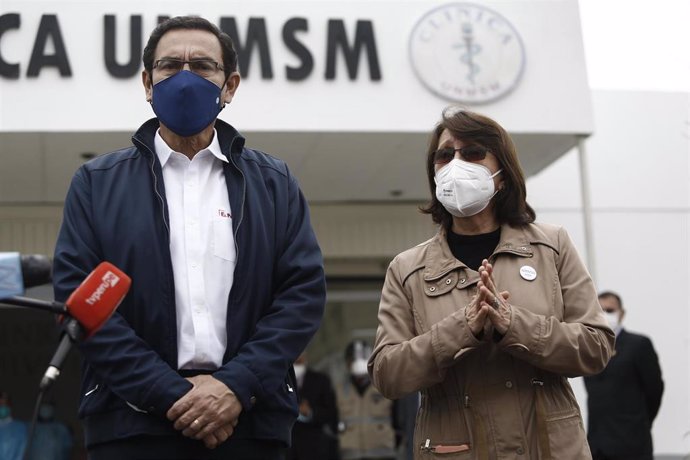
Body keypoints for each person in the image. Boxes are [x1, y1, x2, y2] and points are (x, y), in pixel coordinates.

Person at [52, 15, 326, 460]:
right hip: (130, 426)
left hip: (250, 424)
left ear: (229, 85)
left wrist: (234, 386)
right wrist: (171, 394)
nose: (184, 78)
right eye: (169, 66)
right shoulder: (96, 183)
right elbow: (80, 301)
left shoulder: (274, 184)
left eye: (202, 66)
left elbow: (302, 296)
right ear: (147, 82)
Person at [367, 108, 615, 459]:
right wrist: (461, 329)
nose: (455, 164)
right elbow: (388, 374)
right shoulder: (407, 269)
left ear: (502, 175)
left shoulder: (552, 245)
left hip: (550, 448)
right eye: (444, 156)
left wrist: (514, 325)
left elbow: (596, 347)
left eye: (471, 153)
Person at [584, 291, 664, 460]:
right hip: (597, 444)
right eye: (600, 310)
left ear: (622, 313)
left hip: (631, 443)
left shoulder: (639, 345)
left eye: (610, 310)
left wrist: (639, 423)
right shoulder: (589, 348)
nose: (605, 315)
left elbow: (654, 390)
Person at [337, 340, 396, 460]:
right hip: (351, 454)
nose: (358, 363)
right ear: (347, 362)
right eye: (353, 359)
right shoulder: (340, 390)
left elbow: (399, 418)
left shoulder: (384, 386)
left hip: (383, 453)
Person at [289, 352, 340, 460]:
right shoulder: (278, 381)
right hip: (287, 448)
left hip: (314, 447)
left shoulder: (321, 380)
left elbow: (331, 412)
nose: (297, 359)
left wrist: (309, 412)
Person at [0, 391, 27, 460]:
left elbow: (21, 453)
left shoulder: (20, 428)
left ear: (10, 406)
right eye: (0, 404)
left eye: (4, 404)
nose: (2, 407)